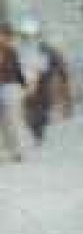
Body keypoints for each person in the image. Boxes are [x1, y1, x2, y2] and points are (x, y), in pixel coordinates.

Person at [14, 17, 50, 145]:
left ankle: (37, 133)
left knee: (37, 108)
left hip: (37, 80)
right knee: (26, 109)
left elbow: (44, 65)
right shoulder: (19, 48)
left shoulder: (41, 49)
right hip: (23, 80)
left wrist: (36, 77)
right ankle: (33, 132)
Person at [0, 23, 25, 162]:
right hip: (4, 87)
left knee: (12, 121)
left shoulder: (13, 51)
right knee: (4, 123)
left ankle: (16, 151)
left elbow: (18, 71)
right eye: (4, 35)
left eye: (8, 35)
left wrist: (24, 86)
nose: (6, 38)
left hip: (10, 88)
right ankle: (7, 151)